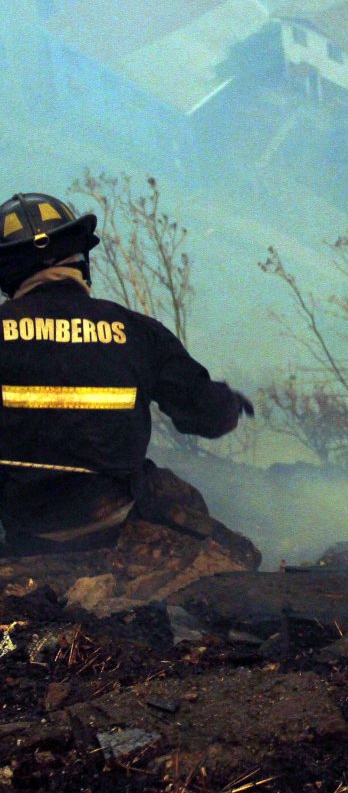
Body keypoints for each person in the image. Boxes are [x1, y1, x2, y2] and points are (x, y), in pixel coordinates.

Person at [0, 191, 257, 560]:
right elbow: (208, 417)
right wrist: (228, 402)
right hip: (114, 521)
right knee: (183, 500)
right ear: (80, 258)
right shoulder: (137, 331)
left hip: (28, 531)